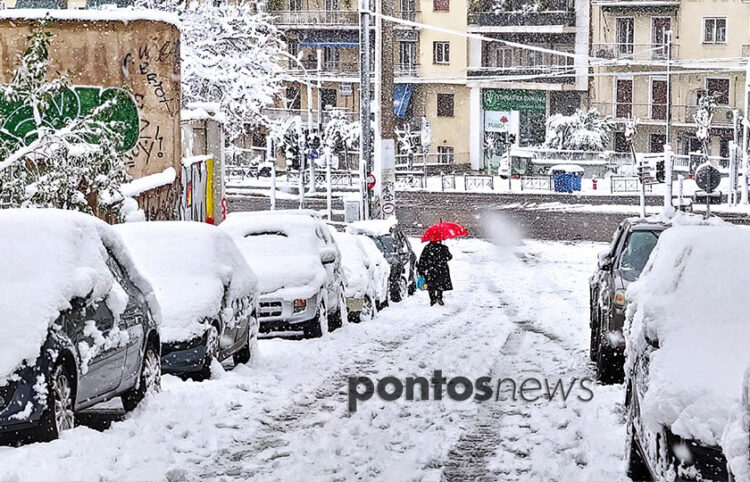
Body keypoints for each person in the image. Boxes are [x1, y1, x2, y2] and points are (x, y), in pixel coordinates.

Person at [417, 241, 453, 306]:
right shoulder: (443, 247)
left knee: (430, 285)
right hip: (441, 269)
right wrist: (444, 257)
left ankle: (432, 299)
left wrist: (421, 269)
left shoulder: (427, 247)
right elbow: (449, 257)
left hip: (430, 269)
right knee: (440, 284)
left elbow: (422, 259)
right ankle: (439, 297)